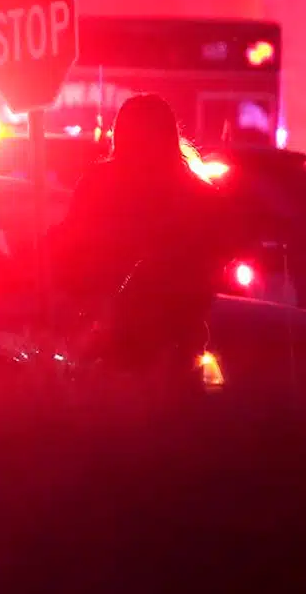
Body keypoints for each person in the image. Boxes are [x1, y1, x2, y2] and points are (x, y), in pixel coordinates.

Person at [52, 94, 242, 380]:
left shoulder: (100, 184)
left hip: (111, 331)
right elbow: (222, 255)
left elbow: (72, 246)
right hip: (179, 333)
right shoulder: (197, 194)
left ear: (122, 133)